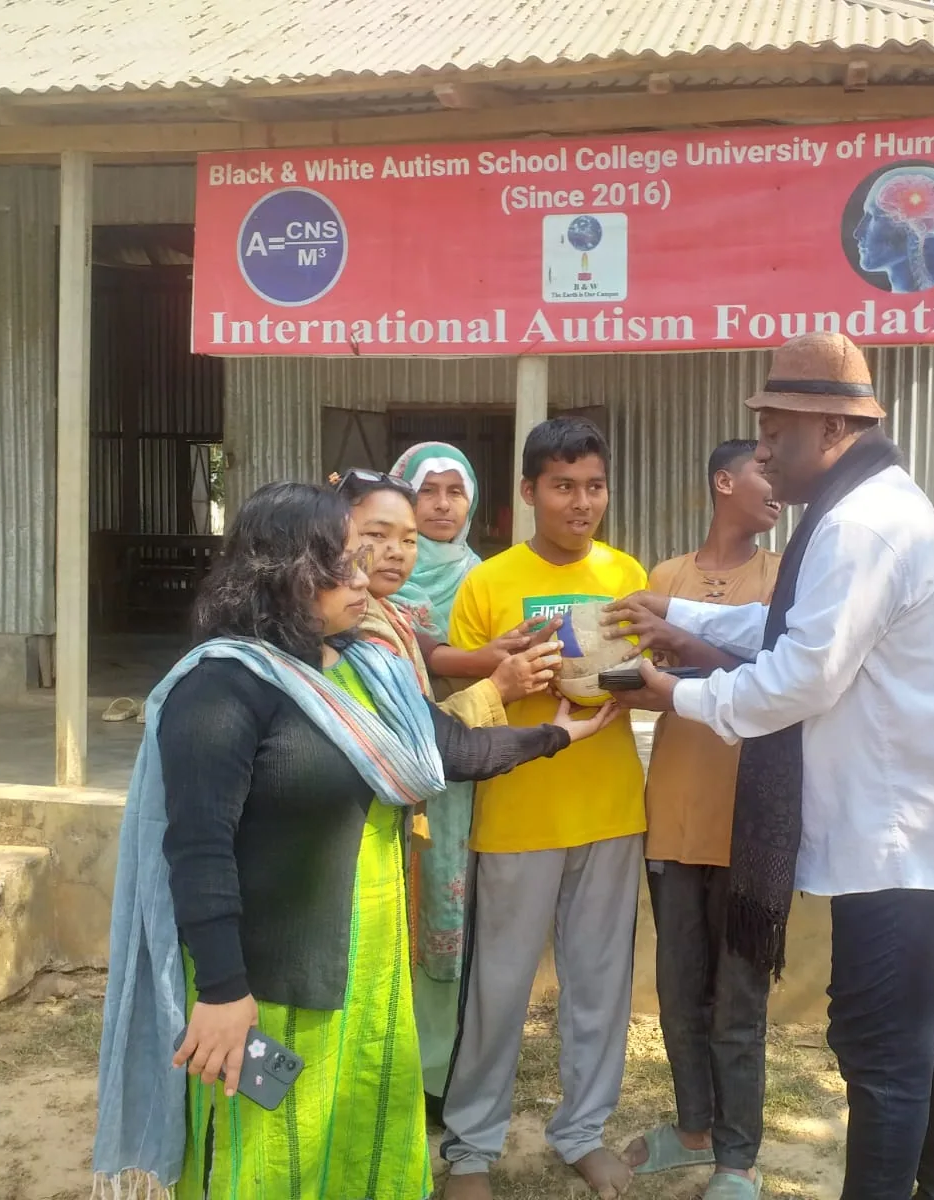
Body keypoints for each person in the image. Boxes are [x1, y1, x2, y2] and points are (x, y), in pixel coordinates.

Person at [91, 481, 618, 1200]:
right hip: (272, 986)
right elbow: (198, 850)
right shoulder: (221, 689)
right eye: (340, 563)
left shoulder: (362, 666)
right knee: (269, 1149)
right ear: (281, 573)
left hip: (368, 976)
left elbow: (449, 749)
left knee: (359, 1137)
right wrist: (222, 993)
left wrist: (558, 734)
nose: (363, 577)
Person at [614, 332, 934, 1200]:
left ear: (830, 429)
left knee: (883, 1051)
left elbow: (798, 677)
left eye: (774, 434)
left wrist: (672, 695)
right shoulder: (865, 509)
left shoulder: (860, 527)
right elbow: (799, 628)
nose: (762, 454)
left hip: (901, 841)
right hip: (921, 835)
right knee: (931, 1036)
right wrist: (680, 617)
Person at [438, 416, 648, 1200]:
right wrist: (515, 673)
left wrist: (609, 681)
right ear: (529, 492)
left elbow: (645, 676)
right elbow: (464, 705)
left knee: (599, 986)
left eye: (593, 485)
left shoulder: (625, 572)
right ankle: (470, 1151)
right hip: (519, 811)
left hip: (611, 809)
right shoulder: (488, 583)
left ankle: (584, 1132)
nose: (581, 502)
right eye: (563, 486)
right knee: (499, 988)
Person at [335, 454, 562, 1125]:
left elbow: (431, 653)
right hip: (407, 782)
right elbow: (414, 731)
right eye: (378, 535)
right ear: (340, 534)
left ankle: (427, 1080)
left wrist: (495, 663)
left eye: (450, 493)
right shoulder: (345, 617)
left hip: (446, 788)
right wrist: (499, 681)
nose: (400, 548)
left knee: (436, 928)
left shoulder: (466, 583)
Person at [603, 440, 781, 1200]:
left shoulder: (785, 579)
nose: (778, 486)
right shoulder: (663, 579)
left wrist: (691, 653)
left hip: (752, 824)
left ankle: (738, 1160)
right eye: (765, 470)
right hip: (674, 814)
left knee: (739, 1002)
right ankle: (693, 1128)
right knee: (680, 992)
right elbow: (637, 684)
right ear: (724, 480)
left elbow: (783, 678)